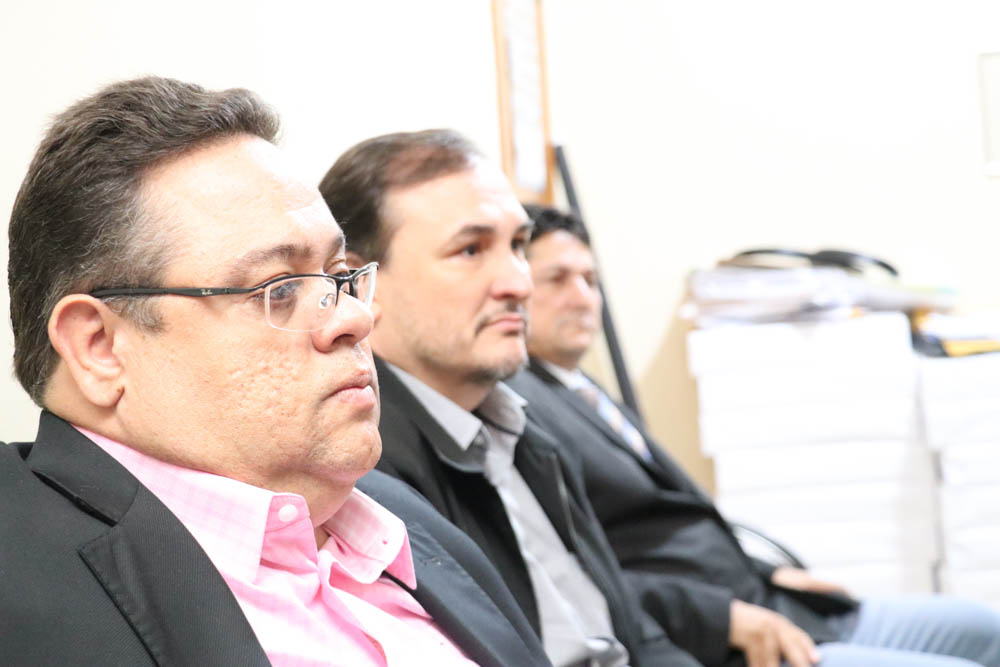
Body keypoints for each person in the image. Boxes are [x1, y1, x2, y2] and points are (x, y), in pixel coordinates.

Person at [0, 76, 553, 667]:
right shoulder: (24, 580)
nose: (355, 318)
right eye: (280, 288)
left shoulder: (395, 513)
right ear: (100, 347)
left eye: (339, 277)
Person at [506, 203, 1000, 667]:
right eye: (558, 279)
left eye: (590, 280)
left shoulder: (582, 391)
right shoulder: (523, 408)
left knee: (985, 627)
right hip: (725, 642)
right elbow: (571, 577)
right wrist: (720, 617)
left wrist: (767, 572)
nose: (583, 297)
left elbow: (669, 527)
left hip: (775, 603)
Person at [319, 130, 699, 667]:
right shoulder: (365, 475)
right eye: (471, 250)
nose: (520, 284)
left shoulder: (521, 424)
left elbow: (630, 634)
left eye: (518, 245)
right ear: (360, 285)